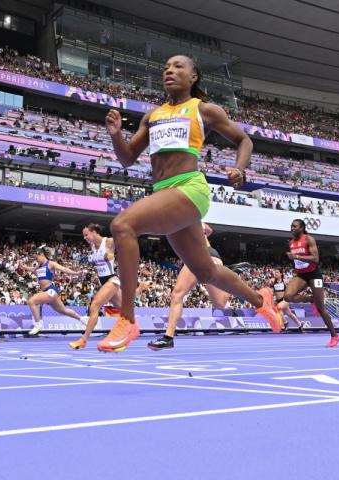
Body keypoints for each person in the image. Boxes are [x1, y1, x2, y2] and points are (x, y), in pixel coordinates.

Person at [100, 54, 282, 352]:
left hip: (189, 188)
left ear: (193, 76)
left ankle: (128, 319)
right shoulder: (152, 116)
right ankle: (262, 301)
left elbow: (244, 141)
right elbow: (127, 158)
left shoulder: (204, 110)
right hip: (163, 193)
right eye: (165, 67)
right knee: (206, 272)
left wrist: (240, 168)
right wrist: (116, 135)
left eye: (177, 66)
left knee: (122, 225)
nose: (169, 70)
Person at [148, 223, 230, 350]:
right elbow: (208, 230)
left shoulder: (188, 216)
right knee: (178, 295)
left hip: (204, 254)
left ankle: (231, 276)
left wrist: (199, 226)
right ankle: (168, 338)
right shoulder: (177, 219)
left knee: (218, 303)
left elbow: (208, 230)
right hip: (197, 256)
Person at [284, 219, 339, 347]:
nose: (292, 228)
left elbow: (315, 259)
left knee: (321, 309)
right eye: (291, 226)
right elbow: (297, 261)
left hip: (314, 275)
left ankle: (334, 336)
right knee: (288, 296)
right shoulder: (291, 243)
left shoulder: (309, 239)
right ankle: (311, 299)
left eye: (294, 226)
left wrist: (296, 257)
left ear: (302, 228)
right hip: (301, 275)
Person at [69, 224, 123, 350]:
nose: (85, 238)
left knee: (94, 306)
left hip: (112, 280)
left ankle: (83, 340)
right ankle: (122, 340)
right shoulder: (92, 246)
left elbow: (118, 245)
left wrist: (110, 254)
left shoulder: (109, 241)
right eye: (84, 236)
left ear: (94, 232)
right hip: (104, 282)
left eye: (86, 234)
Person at [24, 245, 86, 335]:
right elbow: (32, 269)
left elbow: (64, 269)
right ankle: (83, 319)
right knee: (63, 310)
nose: (36, 260)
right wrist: (24, 267)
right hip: (46, 292)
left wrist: (75, 273)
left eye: (36, 258)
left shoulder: (50, 263)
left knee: (31, 301)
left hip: (51, 290)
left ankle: (38, 325)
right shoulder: (39, 266)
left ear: (41, 254)